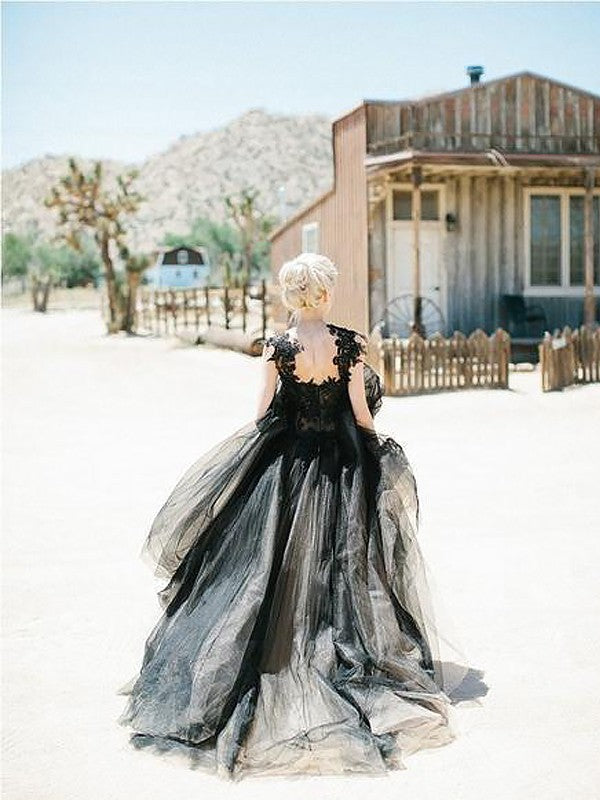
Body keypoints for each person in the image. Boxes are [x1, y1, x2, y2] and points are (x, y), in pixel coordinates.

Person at [117, 252, 485, 780]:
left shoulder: (278, 347)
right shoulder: (351, 344)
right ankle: (335, 647)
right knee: (342, 562)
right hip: (340, 464)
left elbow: (264, 413)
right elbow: (360, 413)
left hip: (287, 464)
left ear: (292, 295)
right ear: (327, 293)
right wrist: (377, 449)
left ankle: (275, 650)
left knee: (270, 564)